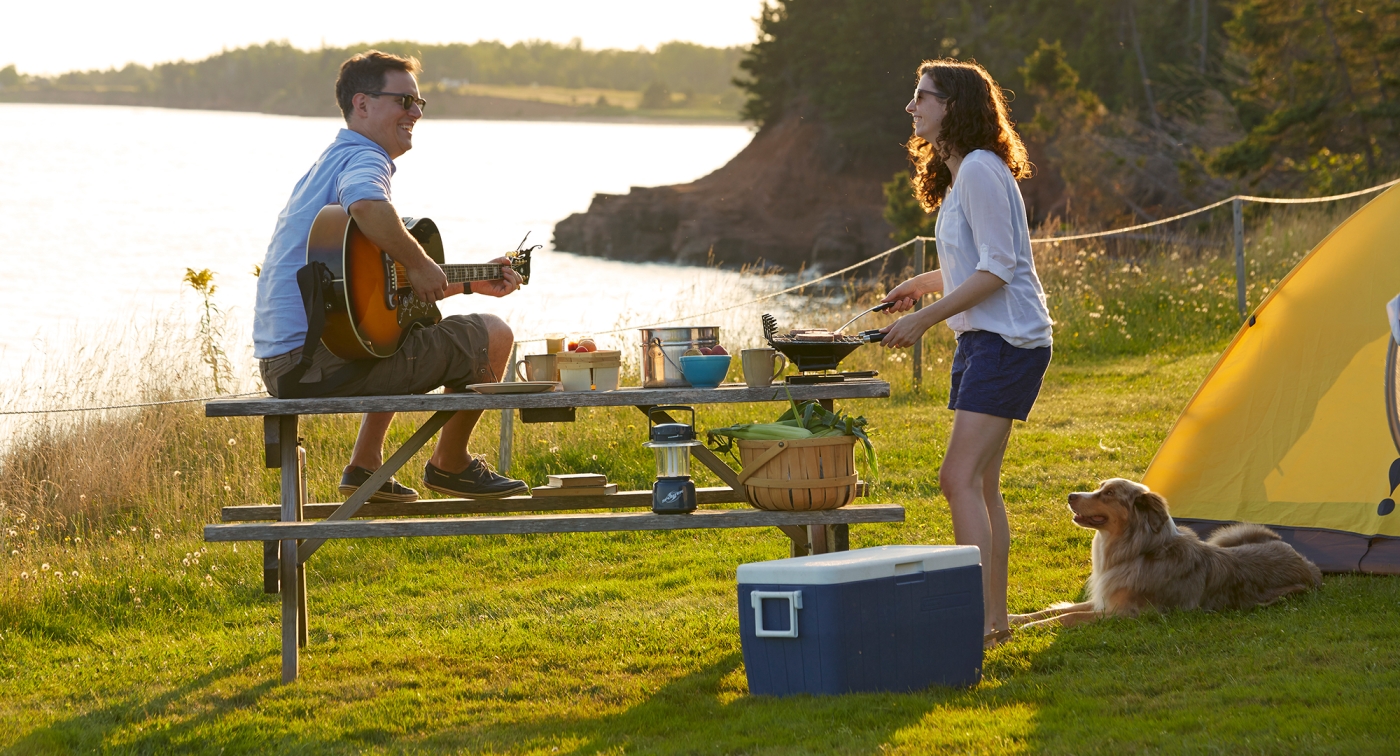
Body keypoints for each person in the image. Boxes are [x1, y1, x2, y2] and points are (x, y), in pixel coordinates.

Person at [253, 50, 529, 501]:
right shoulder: (366, 159)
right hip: (317, 365)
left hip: (291, 365)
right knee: (494, 335)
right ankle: (450, 464)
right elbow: (367, 204)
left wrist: (464, 283)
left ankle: (364, 467)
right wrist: (420, 263)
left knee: (409, 322)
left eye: (420, 104)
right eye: (404, 101)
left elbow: (360, 291)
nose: (416, 113)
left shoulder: (329, 163)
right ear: (362, 104)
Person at [878, 59, 1053, 646]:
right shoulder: (964, 175)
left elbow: (1002, 270)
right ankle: (994, 623)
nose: (913, 107)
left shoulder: (979, 169)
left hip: (1006, 342)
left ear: (954, 105)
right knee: (978, 485)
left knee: (957, 479)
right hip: (987, 341)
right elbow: (975, 262)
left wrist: (926, 319)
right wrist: (922, 285)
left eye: (923, 96)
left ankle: (977, 624)